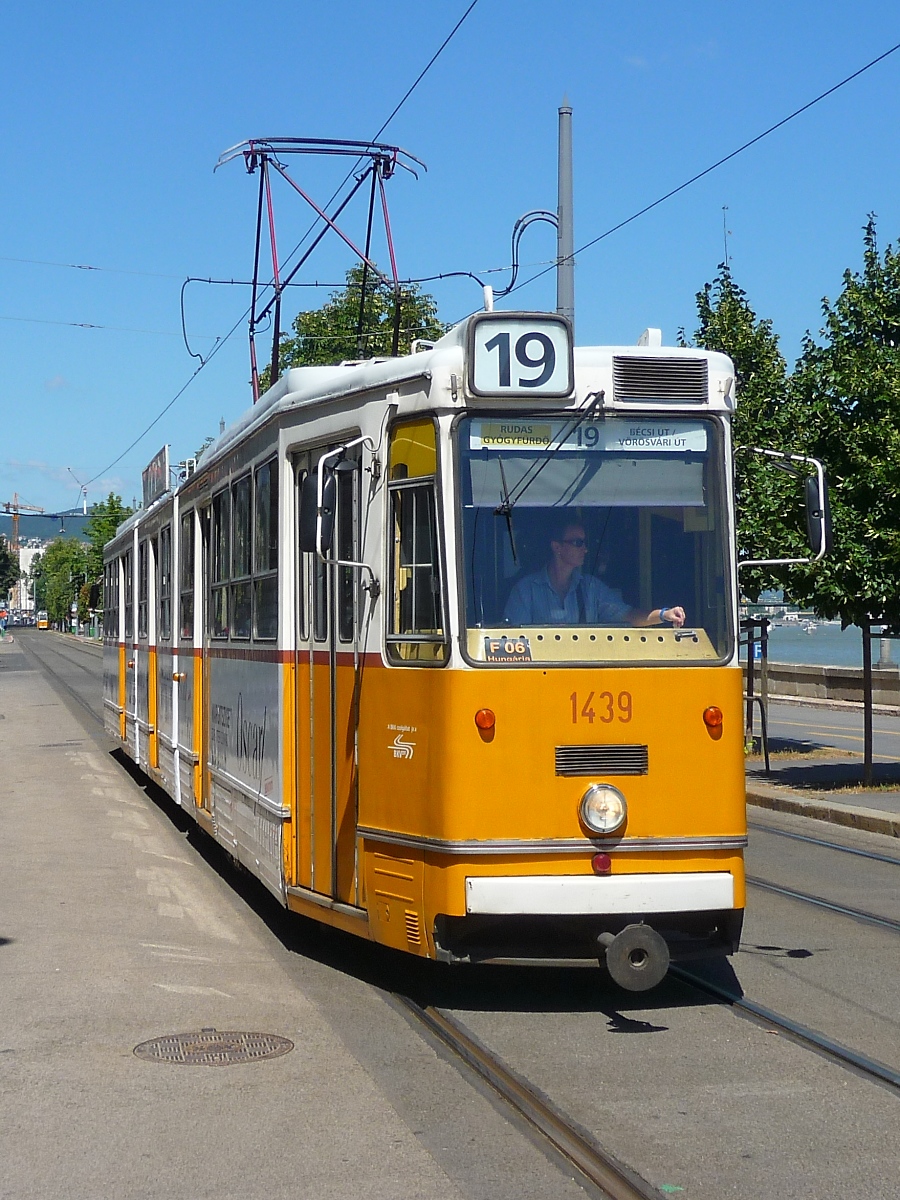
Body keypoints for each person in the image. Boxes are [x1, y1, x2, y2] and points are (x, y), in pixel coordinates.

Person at [504, 520, 686, 628]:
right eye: (578, 542)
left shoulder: (591, 588)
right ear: (557, 547)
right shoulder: (525, 590)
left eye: (584, 542)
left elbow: (629, 615)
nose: (585, 549)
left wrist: (664, 614)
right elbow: (515, 643)